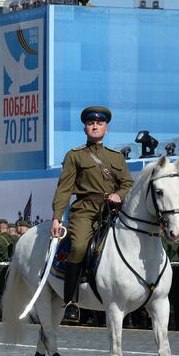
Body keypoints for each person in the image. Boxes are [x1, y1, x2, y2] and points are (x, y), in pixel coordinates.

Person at [51, 106, 134, 321]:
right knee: (78, 247)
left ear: (106, 129)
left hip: (113, 210)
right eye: (90, 123)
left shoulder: (116, 157)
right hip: (85, 211)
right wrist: (57, 217)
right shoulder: (74, 156)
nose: (95, 126)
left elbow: (128, 183)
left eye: (99, 123)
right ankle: (70, 300)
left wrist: (119, 195)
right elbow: (64, 189)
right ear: (85, 128)